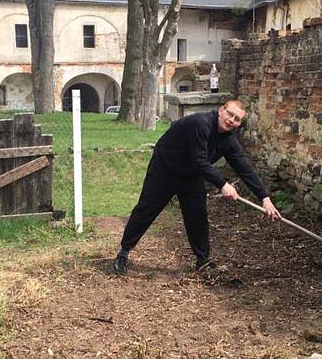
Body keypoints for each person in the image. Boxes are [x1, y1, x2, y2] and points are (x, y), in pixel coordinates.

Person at [112, 99, 281, 275]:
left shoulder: (228, 140)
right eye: (230, 114)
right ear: (221, 110)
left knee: (197, 216)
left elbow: (244, 167)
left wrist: (265, 198)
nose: (232, 120)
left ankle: (202, 260)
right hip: (165, 169)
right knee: (146, 210)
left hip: (191, 175)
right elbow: (200, 160)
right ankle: (124, 252)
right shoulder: (201, 123)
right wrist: (223, 184)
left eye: (237, 119)